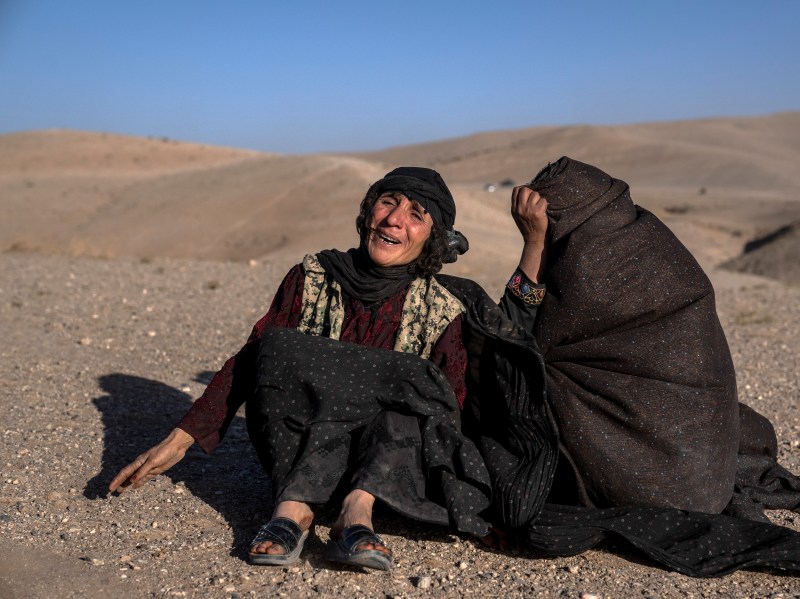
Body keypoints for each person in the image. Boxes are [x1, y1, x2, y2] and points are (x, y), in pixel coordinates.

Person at [108, 167, 555, 570]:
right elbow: (252, 361)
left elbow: (504, 343)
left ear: (432, 238)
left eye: (416, 213)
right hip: (299, 443)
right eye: (387, 202)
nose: (394, 219)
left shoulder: (445, 304)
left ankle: (355, 515)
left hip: (385, 463)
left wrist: (534, 241)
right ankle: (292, 511)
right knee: (278, 348)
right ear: (368, 212)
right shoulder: (314, 275)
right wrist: (183, 437)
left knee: (421, 392)